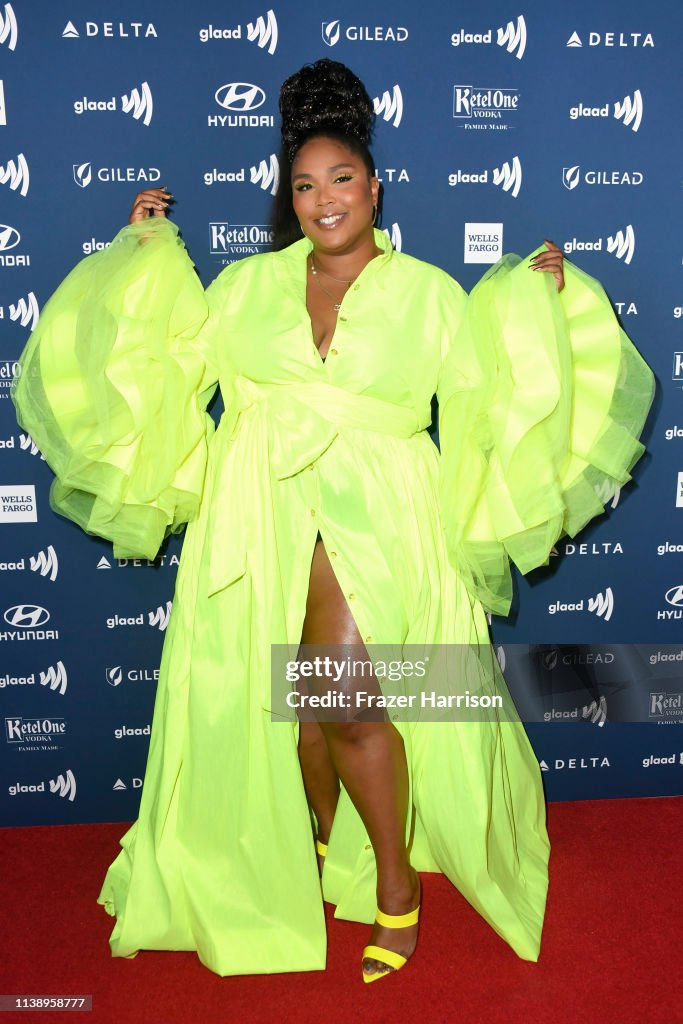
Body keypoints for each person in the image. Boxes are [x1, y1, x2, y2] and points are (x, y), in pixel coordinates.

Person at [11, 59, 654, 982]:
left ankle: (396, 885)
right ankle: (317, 842)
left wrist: (535, 302)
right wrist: (146, 258)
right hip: (261, 511)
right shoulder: (242, 289)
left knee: (348, 703)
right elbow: (162, 366)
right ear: (289, 195)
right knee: (299, 716)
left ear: (374, 185)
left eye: (341, 179)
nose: (323, 200)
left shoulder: (430, 294)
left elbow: (492, 387)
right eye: (304, 184)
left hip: (380, 518)